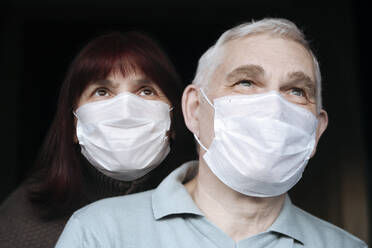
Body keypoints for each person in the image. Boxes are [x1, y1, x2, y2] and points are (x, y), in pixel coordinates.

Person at [55, 18, 368, 248]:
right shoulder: (99, 232)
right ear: (193, 109)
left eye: (297, 91)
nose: (273, 107)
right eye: (245, 82)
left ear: (316, 130)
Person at [0, 32, 195, 248]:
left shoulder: (209, 212)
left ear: (174, 119)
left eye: (146, 91)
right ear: (74, 124)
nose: (125, 111)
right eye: (102, 92)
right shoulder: (23, 223)